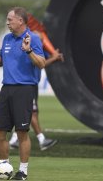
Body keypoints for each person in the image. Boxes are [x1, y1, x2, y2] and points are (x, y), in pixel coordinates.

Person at [0, 7, 45, 180]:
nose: (7, 22)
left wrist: (29, 50)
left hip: (24, 89)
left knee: (22, 132)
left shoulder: (34, 39)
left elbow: (42, 64)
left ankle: (22, 172)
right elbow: (0, 61)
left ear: (21, 21)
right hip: (6, 89)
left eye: (10, 19)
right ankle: (4, 168)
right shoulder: (7, 38)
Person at [9, 14, 64, 151]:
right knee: (31, 112)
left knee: (28, 111)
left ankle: (15, 138)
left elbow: (42, 61)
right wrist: (55, 57)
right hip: (27, 83)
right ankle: (41, 139)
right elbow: (40, 63)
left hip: (32, 82)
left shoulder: (34, 42)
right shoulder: (30, 39)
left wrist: (54, 56)